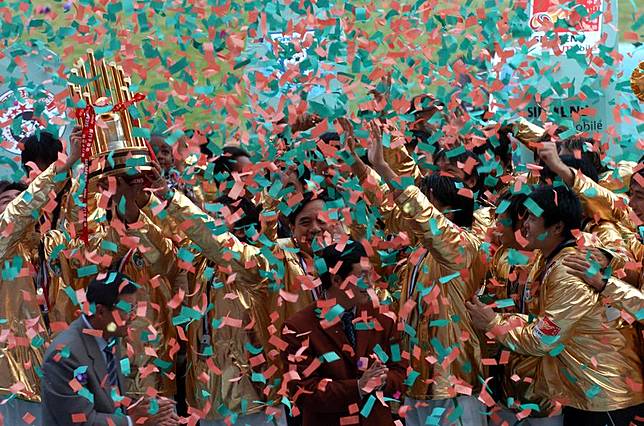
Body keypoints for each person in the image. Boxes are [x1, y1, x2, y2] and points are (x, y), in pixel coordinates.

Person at [344, 120, 488, 426]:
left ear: (445, 209)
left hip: (452, 383)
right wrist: (359, 166)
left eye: (427, 199)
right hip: (416, 377)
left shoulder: (463, 246)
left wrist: (384, 167)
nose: (409, 209)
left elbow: (420, 213)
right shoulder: (419, 252)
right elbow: (389, 206)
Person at [467, 185, 644, 426]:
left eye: (532, 218)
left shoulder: (569, 269)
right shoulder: (546, 256)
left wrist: (493, 323)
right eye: (523, 216)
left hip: (603, 394)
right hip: (582, 391)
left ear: (557, 227)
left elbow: (544, 337)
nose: (524, 225)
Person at [0, 128, 81, 425]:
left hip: (56, 369)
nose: (10, 206)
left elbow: (75, 229)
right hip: (11, 377)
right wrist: (67, 162)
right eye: (3, 202)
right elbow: (17, 214)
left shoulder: (47, 243)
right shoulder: (5, 239)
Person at [280, 241, 408, 426]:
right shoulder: (298, 327)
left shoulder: (383, 317)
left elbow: (402, 372)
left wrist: (384, 380)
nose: (369, 282)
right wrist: (357, 387)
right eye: (362, 276)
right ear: (337, 280)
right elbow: (303, 391)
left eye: (370, 273)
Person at [40, 271, 179, 425]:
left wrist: (147, 410)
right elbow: (80, 421)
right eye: (126, 310)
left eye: (133, 309)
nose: (133, 317)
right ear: (100, 311)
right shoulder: (65, 356)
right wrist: (132, 422)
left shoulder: (109, 335)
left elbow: (107, 403)